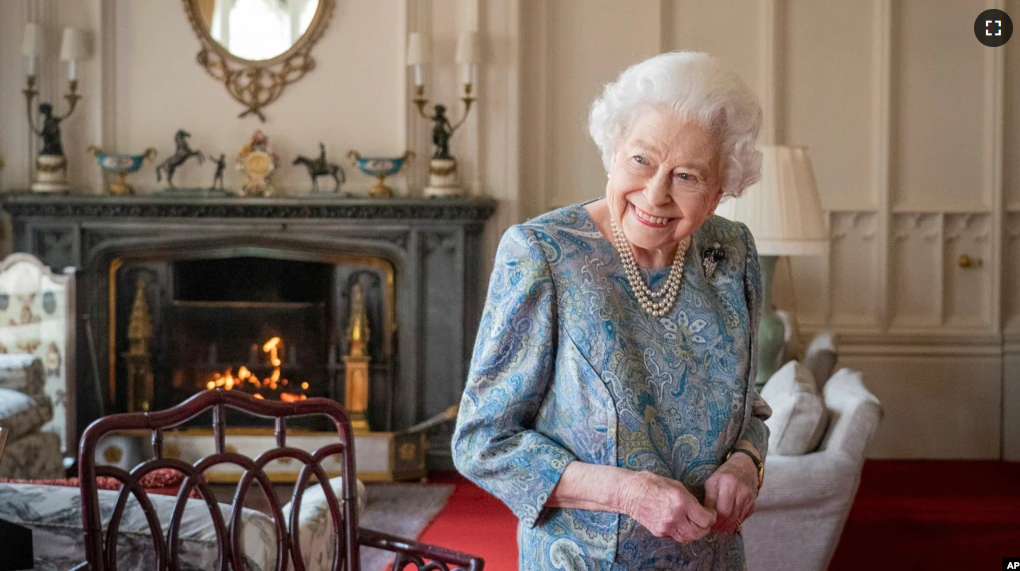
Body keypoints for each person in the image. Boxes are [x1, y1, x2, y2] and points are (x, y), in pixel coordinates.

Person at [452, 51, 772, 570]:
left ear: (719, 191)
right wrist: (627, 493)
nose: (656, 193)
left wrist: (745, 463)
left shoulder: (731, 254)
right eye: (641, 160)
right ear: (614, 151)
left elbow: (749, 407)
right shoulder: (542, 255)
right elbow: (482, 443)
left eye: (687, 176)